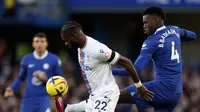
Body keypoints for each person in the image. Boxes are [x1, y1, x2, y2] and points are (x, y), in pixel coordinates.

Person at [54, 6, 196, 112]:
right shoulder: (175, 30)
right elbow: (192, 35)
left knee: (112, 96)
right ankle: (68, 108)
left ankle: (69, 109)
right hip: (176, 93)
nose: (144, 26)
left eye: (146, 23)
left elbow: (136, 69)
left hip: (161, 89)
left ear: (157, 20)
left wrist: (112, 71)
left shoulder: (150, 42)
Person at [58, 21, 154, 112]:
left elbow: (127, 62)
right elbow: (93, 101)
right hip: (97, 97)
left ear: (74, 36)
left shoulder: (98, 50)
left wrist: (139, 86)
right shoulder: (80, 49)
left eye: (67, 40)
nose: (66, 44)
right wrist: (68, 108)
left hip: (107, 96)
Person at [4, 33, 63, 112]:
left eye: (42, 41)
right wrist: (12, 88)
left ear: (46, 43)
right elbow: (21, 77)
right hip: (28, 98)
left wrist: (46, 80)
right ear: (33, 44)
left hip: (44, 99)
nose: (39, 44)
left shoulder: (54, 59)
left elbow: (60, 81)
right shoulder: (26, 59)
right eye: (37, 41)